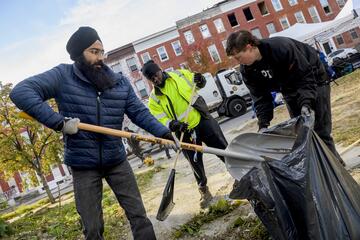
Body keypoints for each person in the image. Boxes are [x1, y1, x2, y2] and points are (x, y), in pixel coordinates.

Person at [10, 26, 179, 240]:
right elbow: (21, 92)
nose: (100, 57)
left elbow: (138, 112)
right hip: (83, 164)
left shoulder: (118, 82)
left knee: (139, 216)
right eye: (94, 51)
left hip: (116, 159)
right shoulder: (63, 76)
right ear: (79, 54)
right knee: (92, 228)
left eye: (102, 51)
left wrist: (164, 133)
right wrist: (59, 123)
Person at [226, 30, 345, 165]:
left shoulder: (280, 48)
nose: (238, 62)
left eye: (238, 57)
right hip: (288, 88)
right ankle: (324, 166)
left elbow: (305, 77)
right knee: (301, 133)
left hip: (314, 79)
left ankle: (336, 169)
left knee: (319, 129)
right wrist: (263, 124)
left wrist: (306, 103)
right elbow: (260, 97)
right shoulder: (247, 70)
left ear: (249, 47)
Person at [141, 60, 229, 208]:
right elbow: (159, 119)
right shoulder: (154, 99)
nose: (155, 79)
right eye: (151, 79)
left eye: (155, 75)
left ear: (160, 70)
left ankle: (241, 176)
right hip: (184, 132)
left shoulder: (179, 74)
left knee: (223, 150)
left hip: (202, 120)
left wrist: (201, 80)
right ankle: (204, 191)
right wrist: (172, 124)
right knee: (195, 164)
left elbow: (198, 83)